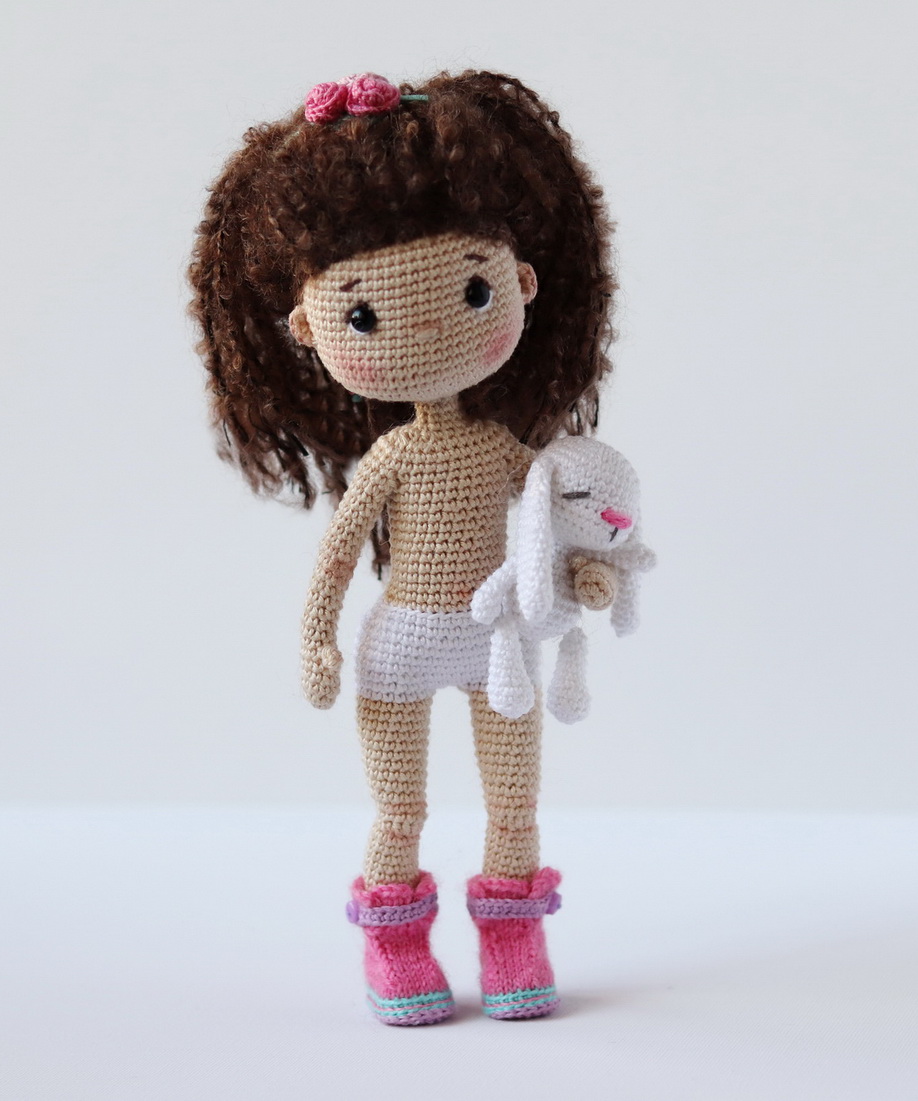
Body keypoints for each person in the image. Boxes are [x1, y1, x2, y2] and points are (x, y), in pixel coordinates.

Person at [189, 70, 617, 1023]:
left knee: (514, 802)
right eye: (363, 315)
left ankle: (512, 934)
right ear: (308, 330)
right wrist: (316, 635)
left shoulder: (503, 452)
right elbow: (340, 553)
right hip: (401, 645)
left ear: (522, 283)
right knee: (399, 807)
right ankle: (394, 942)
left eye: (472, 288)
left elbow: (549, 511)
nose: (426, 325)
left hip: (501, 640)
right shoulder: (390, 457)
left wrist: (581, 565)